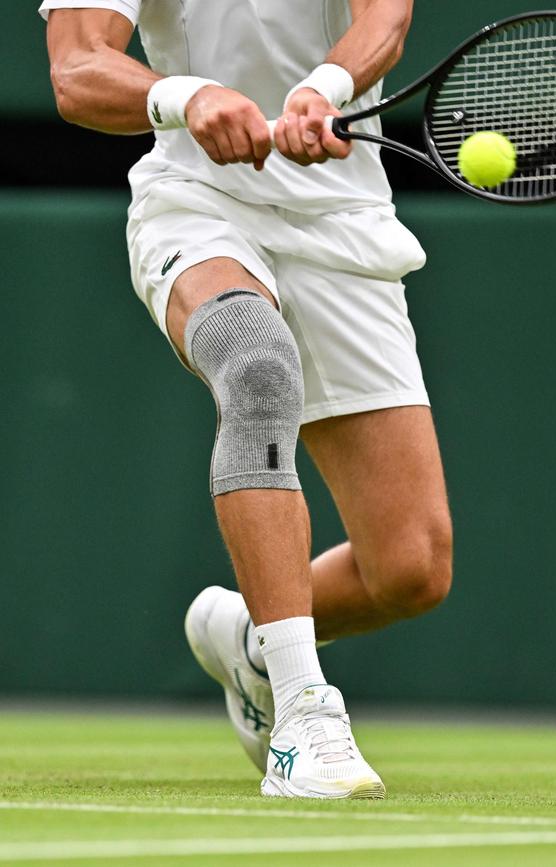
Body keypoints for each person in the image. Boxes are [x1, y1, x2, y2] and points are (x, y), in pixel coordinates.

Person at [40, 0, 453, 800]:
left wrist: (325, 87)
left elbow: (385, 19)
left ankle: (249, 637)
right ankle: (303, 714)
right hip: (198, 203)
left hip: (342, 220)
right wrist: (185, 96)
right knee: (257, 366)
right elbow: (76, 68)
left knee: (409, 569)